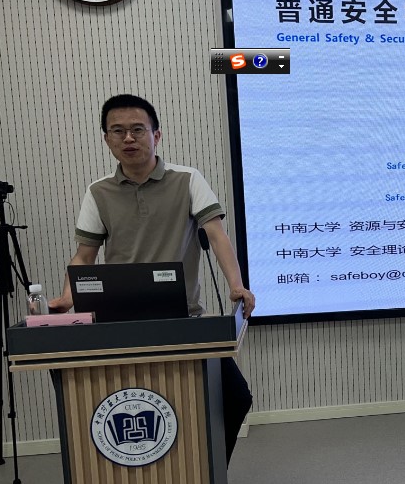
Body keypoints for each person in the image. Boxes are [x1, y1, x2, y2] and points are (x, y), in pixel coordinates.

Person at [49, 93, 254, 464]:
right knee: (124, 402)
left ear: (156, 135)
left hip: (184, 319)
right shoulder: (98, 191)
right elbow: (84, 255)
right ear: (107, 139)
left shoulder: (187, 179)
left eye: (137, 129)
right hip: (119, 323)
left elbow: (217, 235)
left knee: (236, 398)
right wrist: (68, 297)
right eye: (118, 131)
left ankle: (208, 470)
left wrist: (236, 285)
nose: (128, 138)